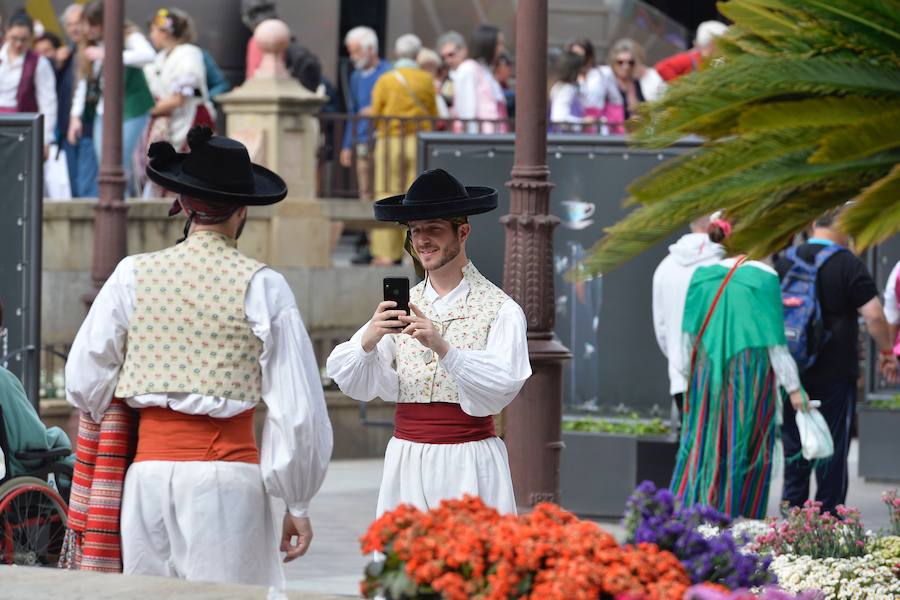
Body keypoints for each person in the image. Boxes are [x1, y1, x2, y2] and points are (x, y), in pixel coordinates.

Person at [64, 126, 333, 586]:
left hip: (145, 480)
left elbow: (84, 380)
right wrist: (297, 501)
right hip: (225, 482)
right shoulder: (263, 285)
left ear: (185, 205)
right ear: (242, 211)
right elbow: (298, 410)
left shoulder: (133, 274)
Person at [326, 168, 531, 517]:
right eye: (415, 230)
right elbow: (348, 377)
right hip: (406, 456)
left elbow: (502, 384)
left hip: (469, 459)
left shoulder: (500, 309)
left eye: (433, 229)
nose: (422, 240)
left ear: (462, 231)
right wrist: (370, 337)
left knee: (467, 563)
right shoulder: (403, 306)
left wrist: (444, 349)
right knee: (404, 565)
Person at [672, 218, 805, 519]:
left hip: (707, 371)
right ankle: (739, 516)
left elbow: (686, 337)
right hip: (750, 373)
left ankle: (697, 513)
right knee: (747, 444)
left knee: (704, 441)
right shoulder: (765, 277)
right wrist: (794, 388)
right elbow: (775, 343)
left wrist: (687, 376)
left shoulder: (702, 276)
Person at [775, 208, 899, 515]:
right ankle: (828, 519)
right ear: (843, 227)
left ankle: (792, 521)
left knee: (795, 445)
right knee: (831, 448)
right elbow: (873, 315)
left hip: (793, 371)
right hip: (835, 371)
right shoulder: (847, 263)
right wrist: (886, 353)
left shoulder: (786, 260)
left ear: (814, 223)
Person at [68, 0, 155, 196]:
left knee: (119, 161)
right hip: (103, 109)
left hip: (132, 107)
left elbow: (149, 55)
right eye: (87, 23)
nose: (89, 29)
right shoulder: (89, 43)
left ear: (105, 22)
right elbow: (84, 81)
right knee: (104, 162)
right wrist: (75, 117)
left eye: (94, 24)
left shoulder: (127, 35)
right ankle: (115, 202)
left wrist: (109, 54)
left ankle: (123, 205)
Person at [369, 33, 438, 266]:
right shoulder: (426, 80)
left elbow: (376, 112)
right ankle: (414, 252)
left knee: (387, 193)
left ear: (397, 54)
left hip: (390, 141)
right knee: (416, 199)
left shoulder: (385, 80)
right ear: (417, 54)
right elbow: (433, 112)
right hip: (417, 142)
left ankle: (385, 253)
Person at [652, 215, 725, 421]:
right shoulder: (724, 265)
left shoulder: (665, 267)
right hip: (721, 374)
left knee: (690, 442)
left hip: (680, 375)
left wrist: (677, 357)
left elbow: (661, 328)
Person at [141, 8, 215, 195]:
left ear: (165, 31)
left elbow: (179, 98)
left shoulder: (189, 54)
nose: (151, 35)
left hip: (190, 120)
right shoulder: (159, 58)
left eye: (153, 30)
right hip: (164, 119)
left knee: (190, 174)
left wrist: (147, 111)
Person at [340, 26, 391, 264]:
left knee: (386, 192)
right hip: (361, 140)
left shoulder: (388, 73)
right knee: (365, 195)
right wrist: (346, 144)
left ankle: (386, 248)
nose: (353, 57)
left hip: (383, 140)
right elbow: (353, 111)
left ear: (371, 48)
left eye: (356, 51)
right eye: (350, 52)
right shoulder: (355, 76)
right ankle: (371, 245)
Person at [0, 11, 57, 158]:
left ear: (31, 38)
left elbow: (48, 102)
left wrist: (45, 139)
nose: (18, 44)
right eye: (14, 38)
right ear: (6, 33)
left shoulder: (39, 63)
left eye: (24, 39)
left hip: (22, 129)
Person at [57, 3, 98, 197]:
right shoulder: (67, 55)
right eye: (70, 24)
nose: (74, 28)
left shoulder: (95, 52)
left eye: (78, 23)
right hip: (68, 132)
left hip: (90, 129)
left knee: (87, 189)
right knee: (75, 190)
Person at [451, 24, 508, 133]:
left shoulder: (485, 70)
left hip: (492, 138)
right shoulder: (468, 69)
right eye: (499, 44)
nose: (501, 49)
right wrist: (474, 141)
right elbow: (467, 112)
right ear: (487, 45)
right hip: (481, 141)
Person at [566, 38, 623, 133]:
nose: (578, 59)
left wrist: (612, 122)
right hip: (574, 126)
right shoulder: (567, 77)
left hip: (598, 125)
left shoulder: (603, 73)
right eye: (574, 55)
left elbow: (616, 101)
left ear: (588, 55)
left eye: (581, 55)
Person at [600, 38, 665, 121]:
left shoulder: (637, 83)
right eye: (620, 62)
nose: (625, 67)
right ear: (613, 62)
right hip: (614, 132)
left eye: (630, 62)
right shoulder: (607, 84)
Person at [655, 21, 727, 82]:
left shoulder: (716, 60)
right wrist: (684, 88)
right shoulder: (691, 58)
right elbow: (662, 68)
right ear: (712, 42)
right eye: (721, 41)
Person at [549, 50, 586, 130]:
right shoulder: (566, 89)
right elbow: (559, 119)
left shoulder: (559, 86)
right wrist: (583, 122)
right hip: (567, 138)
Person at [416, 47, 450, 118]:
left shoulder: (437, 86)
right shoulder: (418, 85)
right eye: (426, 67)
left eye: (433, 67)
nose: (430, 72)